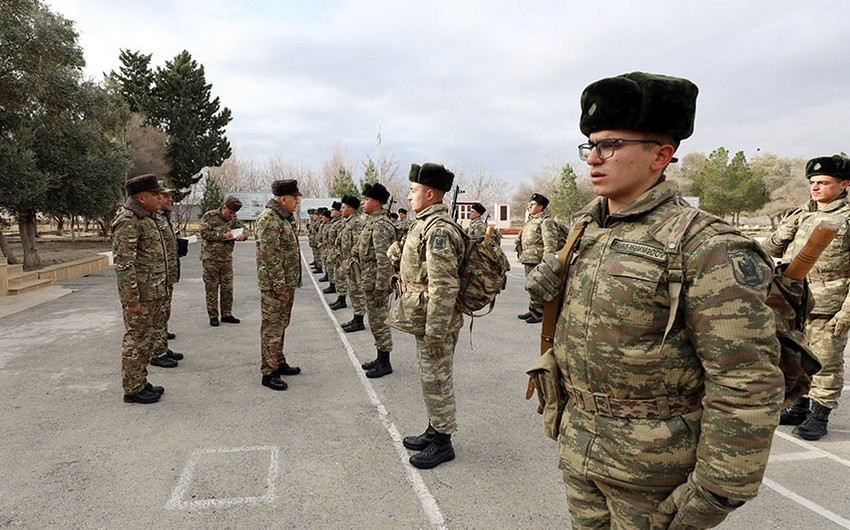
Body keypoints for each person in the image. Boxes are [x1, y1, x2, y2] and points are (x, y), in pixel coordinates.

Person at [526, 72, 784, 529]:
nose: (593, 159)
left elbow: (746, 379)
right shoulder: (587, 227)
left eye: (610, 145)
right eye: (590, 146)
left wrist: (716, 491)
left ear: (660, 155)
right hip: (581, 446)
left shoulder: (705, 244)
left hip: (655, 470)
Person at [763, 154, 850, 440]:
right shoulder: (801, 214)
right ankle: (799, 405)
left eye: (823, 182)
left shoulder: (847, 219)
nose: (815, 187)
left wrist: (846, 312)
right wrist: (782, 232)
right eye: (812, 182)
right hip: (795, 301)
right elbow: (769, 251)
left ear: (844, 184)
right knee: (795, 357)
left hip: (829, 304)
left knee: (826, 361)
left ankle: (819, 415)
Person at [391, 163, 465, 469]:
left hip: (436, 320)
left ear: (430, 193)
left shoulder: (439, 231)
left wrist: (436, 331)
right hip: (423, 315)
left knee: (437, 379)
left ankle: (443, 443)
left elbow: (444, 286)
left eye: (413, 191)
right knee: (429, 378)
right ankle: (435, 429)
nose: (409, 196)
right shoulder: (424, 223)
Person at [112, 174, 169, 404]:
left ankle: (140, 381)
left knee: (146, 340)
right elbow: (124, 265)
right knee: (136, 340)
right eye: (155, 194)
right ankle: (132, 390)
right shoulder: (128, 220)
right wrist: (131, 300)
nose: (160, 197)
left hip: (152, 293)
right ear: (141, 198)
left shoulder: (147, 217)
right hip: (141, 297)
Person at [255, 179, 303, 391]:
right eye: (294, 198)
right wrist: (279, 284)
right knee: (272, 328)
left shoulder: (283, 217)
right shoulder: (269, 219)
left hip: (285, 284)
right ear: (283, 199)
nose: (297, 202)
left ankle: (278, 360)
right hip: (276, 286)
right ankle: (269, 372)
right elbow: (269, 255)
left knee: (281, 325)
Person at [358, 183, 396, 378]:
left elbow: (385, 260)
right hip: (369, 281)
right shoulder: (370, 222)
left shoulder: (380, 226)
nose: (362, 202)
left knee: (380, 322)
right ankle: (380, 357)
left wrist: (382, 288)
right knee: (375, 322)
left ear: (376, 202)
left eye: (366, 199)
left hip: (376, 285)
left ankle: (385, 362)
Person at [149, 183, 184, 369]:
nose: (169, 199)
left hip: (168, 273)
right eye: (165, 196)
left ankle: (162, 346)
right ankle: (157, 352)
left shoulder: (163, 217)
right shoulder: (154, 218)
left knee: (164, 312)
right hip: (159, 275)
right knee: (159, 314)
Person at [199, 196, 248, 327]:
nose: (232, 216)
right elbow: (204, 233)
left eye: (234, 213)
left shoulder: (234, 219)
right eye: (230, 212)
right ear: (224, 207)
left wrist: (244, 235)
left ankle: (227, 314)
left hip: (226, 259)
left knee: (227, 288)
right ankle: (213, 316)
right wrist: (222, 236)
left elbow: (244, 228)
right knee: (212, 288)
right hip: (211, 259)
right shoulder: (210, 216)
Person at [515, 193, 559, 324]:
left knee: (538, 286)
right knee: (531, 286)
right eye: (530, 204)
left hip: (538, 259)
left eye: (533, 204)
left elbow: (550, 243)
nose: (529, 206)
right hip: (529, 258)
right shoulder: (531, 221)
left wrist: (547, 261)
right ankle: (533, 310)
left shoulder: (546, 221)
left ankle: (540, 314)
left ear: (541, 207)